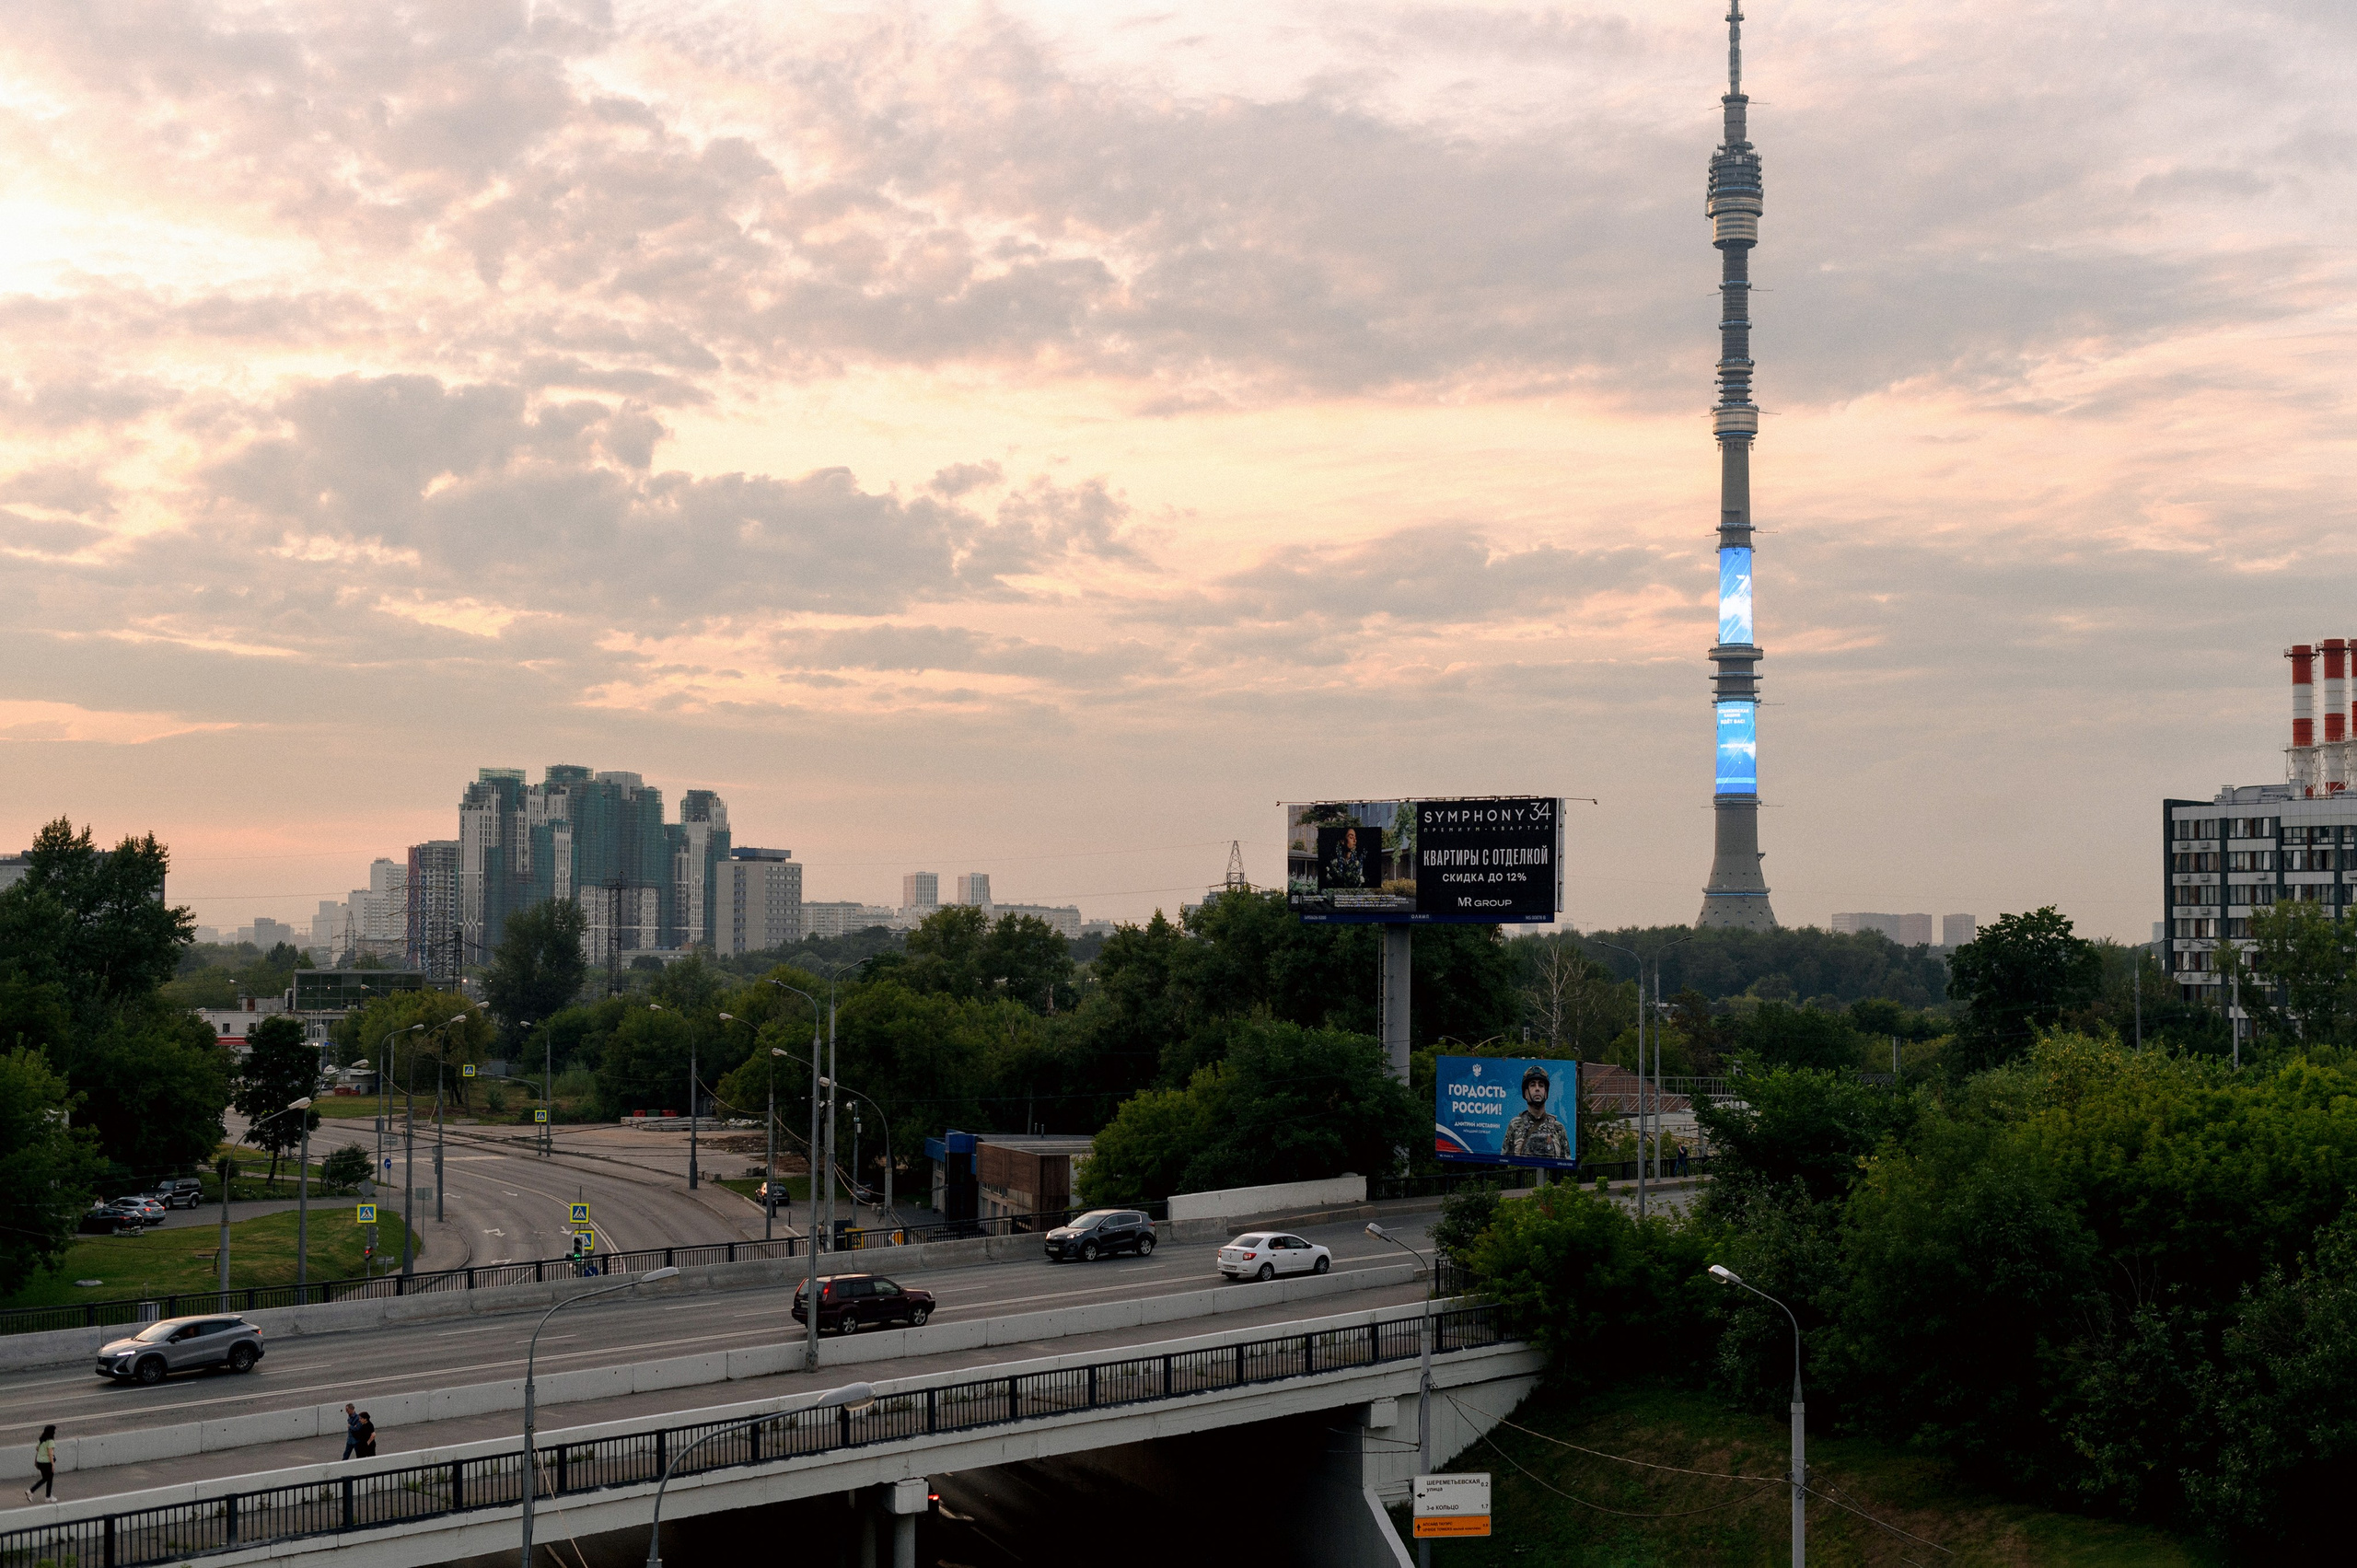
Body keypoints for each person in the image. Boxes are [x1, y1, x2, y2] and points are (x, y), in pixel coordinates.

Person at [1500, 1064, 1571, 1162]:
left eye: (1541, 1085)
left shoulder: (1558, 1128)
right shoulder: (1515, 1125)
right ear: (1525, 1093)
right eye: (1532, 1085)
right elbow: (1505, 1164)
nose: (1537, 1089)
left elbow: (1566, 1165)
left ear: (1546, 1092)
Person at [24, 1425, 55, 1503]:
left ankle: (34, 1492)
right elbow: (50, 1453)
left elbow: (37, 1450)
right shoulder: (50, 1441)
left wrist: (36, 1461)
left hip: (40, 1462)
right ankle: (46, 1496)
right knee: (49, 1479)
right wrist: (53, 1464)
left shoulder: (41, 1439)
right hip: (47, 1462)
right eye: (54, 1431)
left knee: (46, 1478)